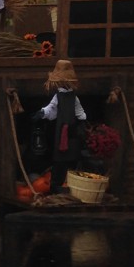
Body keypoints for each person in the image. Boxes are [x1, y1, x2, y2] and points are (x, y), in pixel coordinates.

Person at [34, 59, 87, 193]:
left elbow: (79, 111)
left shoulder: (74, 97)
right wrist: (42, 113)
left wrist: (82, 121)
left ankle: (71, 184)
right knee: (60, 158)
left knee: (73, 155)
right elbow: (51, 108)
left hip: (72, 129)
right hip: (61, 130)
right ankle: (56, 186)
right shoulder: (58, 96)